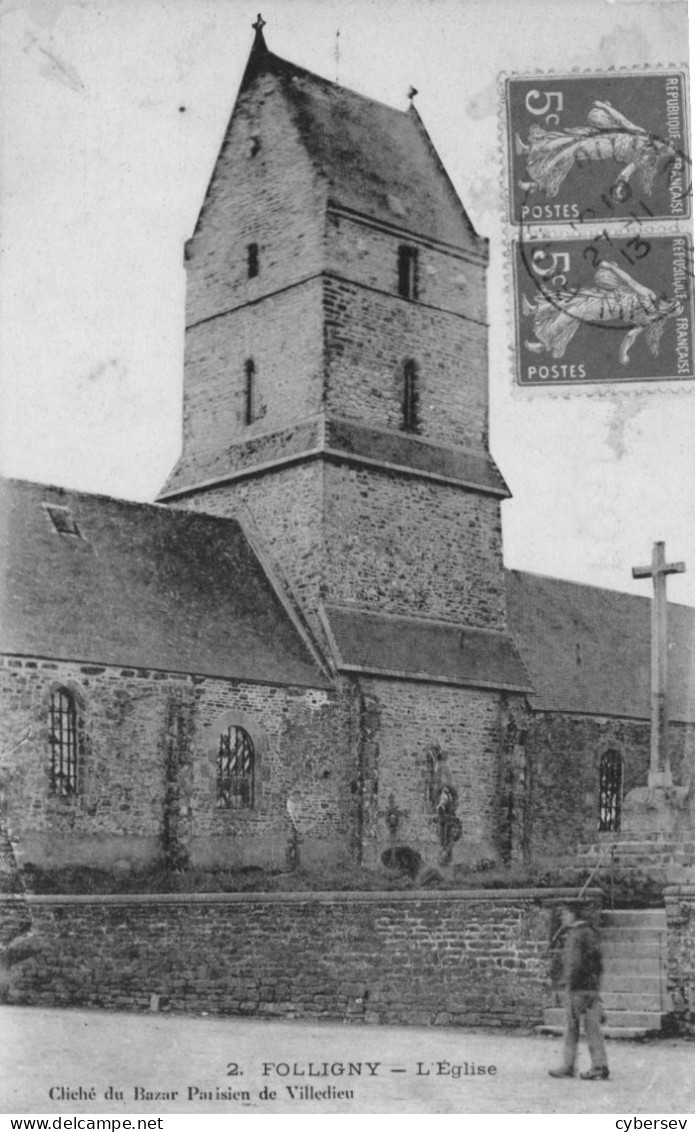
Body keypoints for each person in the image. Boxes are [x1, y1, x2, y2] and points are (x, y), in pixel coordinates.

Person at [549, 902, 610, 1081]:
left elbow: (573, 963)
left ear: (573, 915)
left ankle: (568, 1066)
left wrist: (566, 983)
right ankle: (600, 1065)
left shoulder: (575, 935)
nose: (563, 917)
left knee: (571, 1028)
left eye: (565, 914)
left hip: (577, 989)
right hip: (592, 988)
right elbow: (598, 964)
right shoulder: (591, 933)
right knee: (593, 1029)